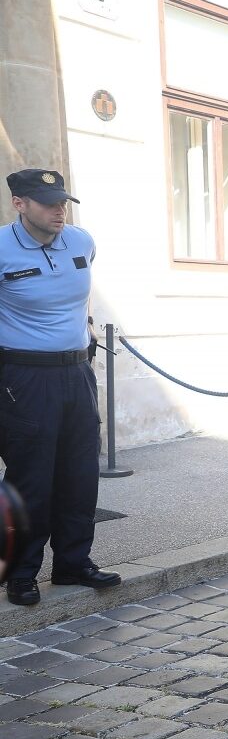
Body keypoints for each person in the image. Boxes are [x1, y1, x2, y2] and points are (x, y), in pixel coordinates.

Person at [0, 169, 120, 606]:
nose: (59, 209)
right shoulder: (1, 248)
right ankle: (21, 573)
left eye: (63, 201)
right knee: (31, 479)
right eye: (48, 202)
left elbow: (76, 296)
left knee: (80, 474)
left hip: (77, 373)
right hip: (25, 378)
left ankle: (73, 563)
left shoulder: (81, 241)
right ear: (20, 204)